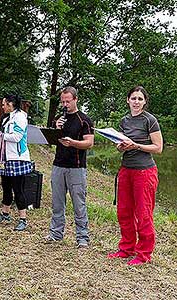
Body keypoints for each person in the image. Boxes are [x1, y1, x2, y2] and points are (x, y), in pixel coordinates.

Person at [107, 86, 162, 265]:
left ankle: (144, 253)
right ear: (128, 100)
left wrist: (137, 145)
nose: (136, 102)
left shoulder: (150, 120)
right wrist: (120, 146)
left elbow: (158, 147)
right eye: (133, 98)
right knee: (124, 211)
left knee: (143, 213)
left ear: (145, 102)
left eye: (140, 99)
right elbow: (121, 143)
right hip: (126, 170)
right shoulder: (124, 120)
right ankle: (126, 248)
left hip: (144, 172)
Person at [46, 86, 94, 248]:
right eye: (63, 102)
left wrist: (73, 143)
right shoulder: (60, 119)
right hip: (58, 164)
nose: (65, 104)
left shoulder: (84, 120)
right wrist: (57, 128)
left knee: (78, 203)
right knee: (57, 202)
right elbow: (53, 140)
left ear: (75, 100)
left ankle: (82, 237)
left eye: (68, 101)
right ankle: (56, 233)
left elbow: (89, 143)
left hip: (76, 167)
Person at [0, 95, 33, 231]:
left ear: (10, 104)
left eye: (4, 104)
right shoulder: (5, 117)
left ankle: (23, 219)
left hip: (17, 158)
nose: (2, 107)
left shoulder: (20, 117)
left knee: (18, 189)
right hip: (5, 157)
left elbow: (17, 137)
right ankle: (5, 213)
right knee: (6, 186)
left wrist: (0, 136)